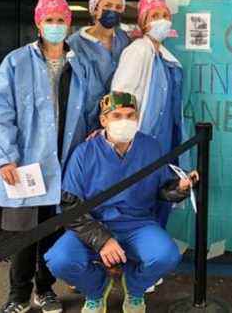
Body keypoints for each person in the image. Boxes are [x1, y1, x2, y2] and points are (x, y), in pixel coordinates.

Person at [0, 0, 101, 313]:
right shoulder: (17, 62)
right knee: (23, 234)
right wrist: (5, 157)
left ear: (69, 23)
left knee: (54, 231)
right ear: (38, 23)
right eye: (49, 19)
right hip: (25, 164)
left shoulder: (81, 64)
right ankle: (17, 295)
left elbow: (92, 111)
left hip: (64, 164)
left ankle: (45, 289)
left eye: (61, 19)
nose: (55, 24)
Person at [44, 92, 197, 313]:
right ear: (103, 120)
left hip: (137, 224)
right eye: (116, 115)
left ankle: (134, 288)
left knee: (167, 256)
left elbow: (163, 189)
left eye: (130, 115)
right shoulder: (85, 153)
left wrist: (180, 188)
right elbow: (70, 206)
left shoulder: (150, 147)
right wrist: (102, 240)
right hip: (93, 225)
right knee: (59, 260)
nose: (124, 121)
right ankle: (96, 289)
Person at [112, 0, 188, 228]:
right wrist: (120, 140)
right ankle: (135, 261)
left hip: (162, 146)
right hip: (139, 144)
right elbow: (121, 96)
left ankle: (152, 261)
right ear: (143, 22)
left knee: (160, 200)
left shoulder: (165, 58)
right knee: (137, 205)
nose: (161, 21)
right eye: (154, 16)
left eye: (165, 15)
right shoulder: (137, 52)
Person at [67, 0, 131, 90]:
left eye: (118, 7)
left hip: (119, 104)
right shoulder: (74, 44)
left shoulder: (124, 39)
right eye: (108, 6)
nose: (113, 10)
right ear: (95, 9)